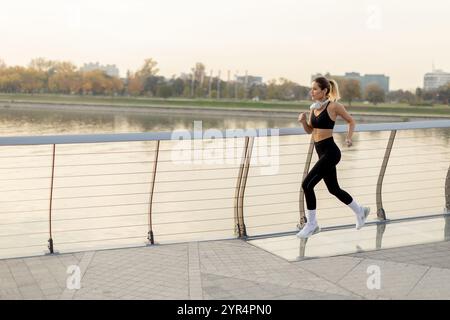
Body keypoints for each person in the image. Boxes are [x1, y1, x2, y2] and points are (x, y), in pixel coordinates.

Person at [296, 76, 370, 238]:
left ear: (324, 91)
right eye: (312, 88)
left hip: (330, 152)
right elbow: (310, 131)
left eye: (315, 89)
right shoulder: (313, 108)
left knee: (307, 185)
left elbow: (351, 121)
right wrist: (303, 122)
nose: (312, 91)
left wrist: (349, 138)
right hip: (321, 152)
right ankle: (360, 210)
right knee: (333, 189)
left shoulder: (334, 106)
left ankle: (312, 224)